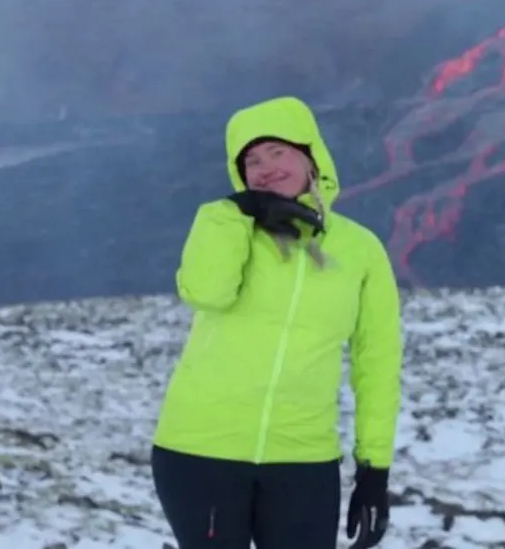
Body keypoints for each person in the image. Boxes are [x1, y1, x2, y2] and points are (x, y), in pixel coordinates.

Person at [150, 95, 403, 549]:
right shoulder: (224, 224)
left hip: (303, 459)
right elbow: (205, 292)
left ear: (311, 157)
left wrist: (374, 469)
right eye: (251, 161)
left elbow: (377, 362)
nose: (265, 168)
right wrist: (234, 213)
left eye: (278, 152)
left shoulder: (360, 249)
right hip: (200, 451)